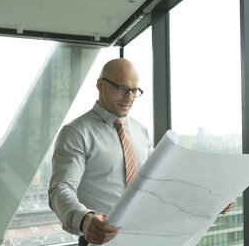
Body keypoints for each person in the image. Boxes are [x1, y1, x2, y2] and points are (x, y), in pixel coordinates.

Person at [48, 58, 234, 246]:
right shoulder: (76, 132)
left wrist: (208, 201)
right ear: (100, 85)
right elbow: (60, 189)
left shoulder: (140, 130)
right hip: (101, 240)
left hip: (146, 237)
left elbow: (160, 182)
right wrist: (85, 219)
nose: (129, 97)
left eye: (135, 90)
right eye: (122, 88)